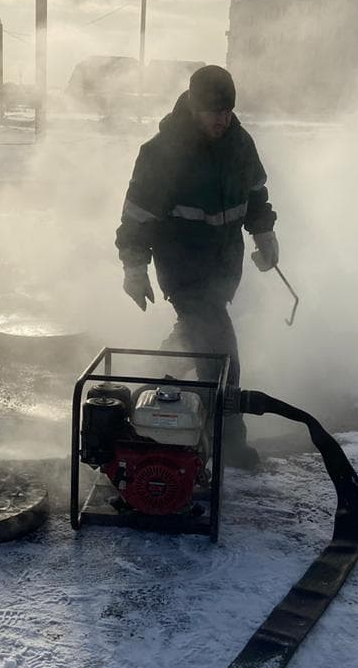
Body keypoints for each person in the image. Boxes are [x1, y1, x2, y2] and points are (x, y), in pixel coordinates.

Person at [115, 64, 279, 469]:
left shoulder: (240, 145)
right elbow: (136, 218)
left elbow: (256, 195)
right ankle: (229, 443)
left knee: (194, 338)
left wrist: (264, 235)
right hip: (183, 269)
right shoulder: (162, 153)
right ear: (192, 105)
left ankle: (138, 389)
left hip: (224, 269)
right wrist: (134, 269)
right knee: (223, 354)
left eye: (226, 111)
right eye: (212, 111)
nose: (221, 120)